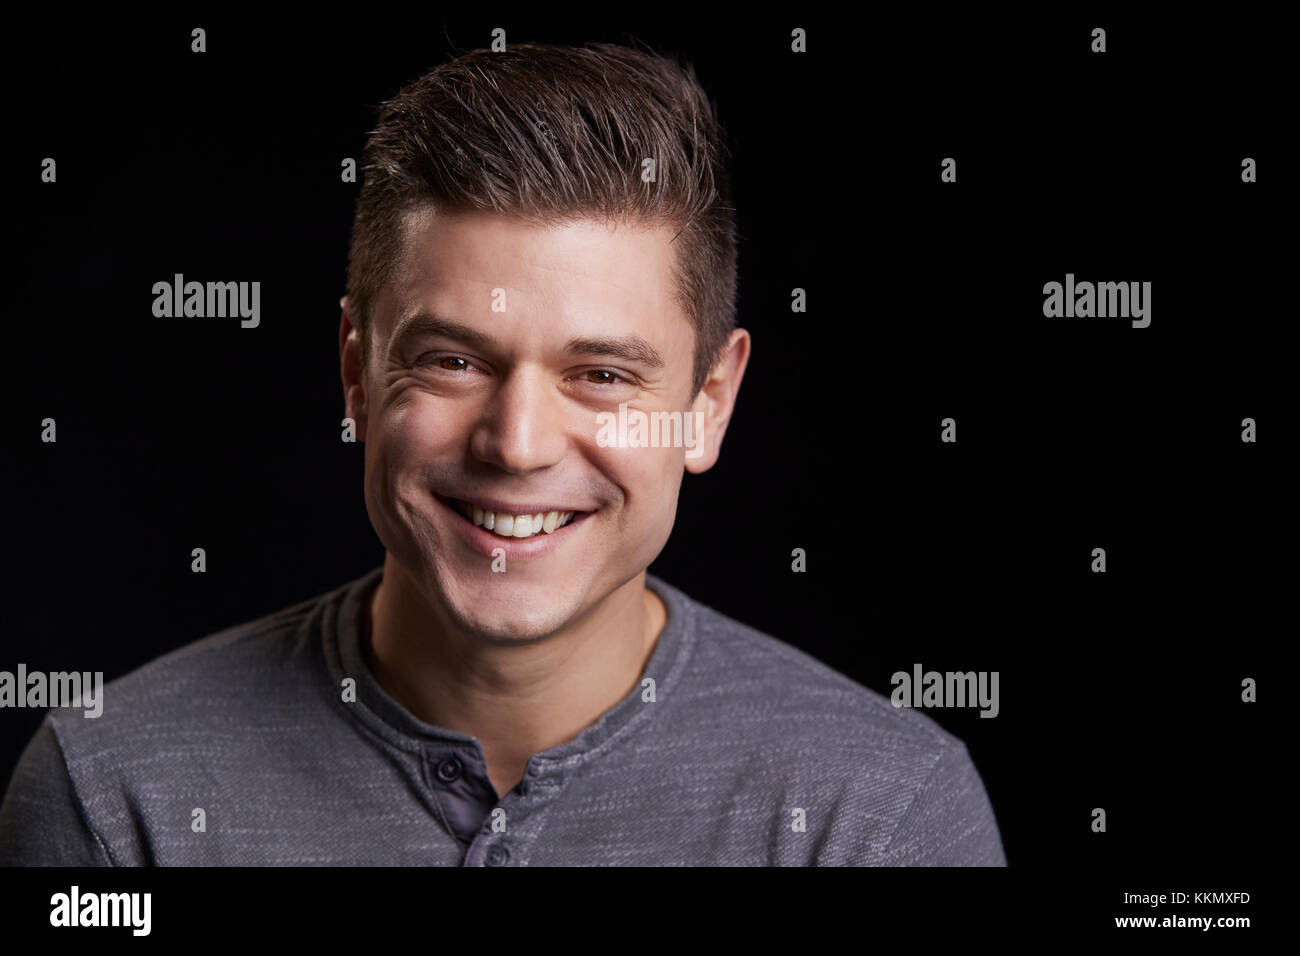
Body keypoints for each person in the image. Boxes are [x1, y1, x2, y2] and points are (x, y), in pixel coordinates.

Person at [0, 41, 1005, 866]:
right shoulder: (114, 796)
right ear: (357, 373)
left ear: (708, 404)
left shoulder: (882, 820)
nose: (517, 444)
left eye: (601, 373)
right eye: (451, 359)